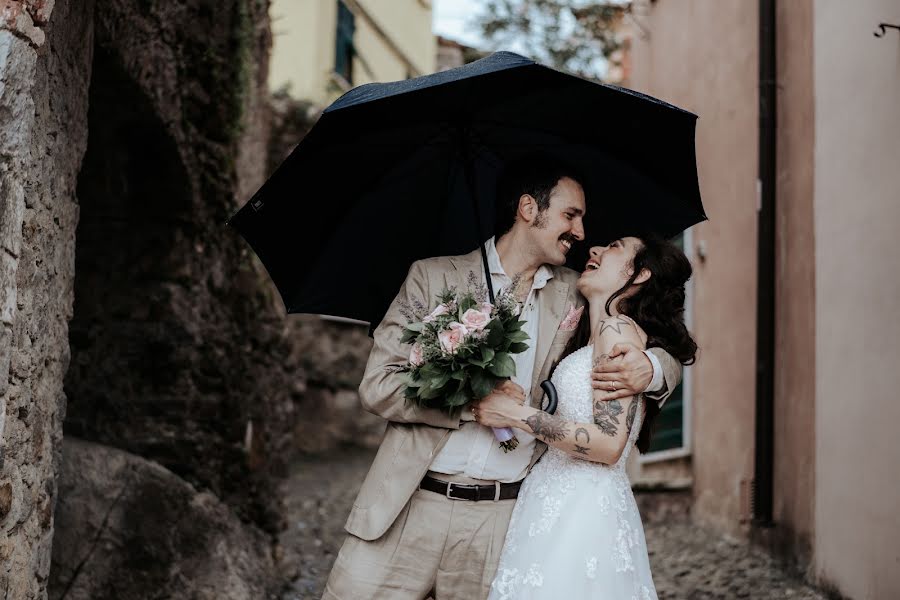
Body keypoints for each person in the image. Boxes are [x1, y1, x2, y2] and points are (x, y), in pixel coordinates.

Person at [322, 157, 683, 600]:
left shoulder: (582, 291)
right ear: (529, 209)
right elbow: (378, 385)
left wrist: (653, 370)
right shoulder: (433, 277)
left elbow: (655, 332)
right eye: (571, 215)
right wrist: (470, 400)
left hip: (505, 520)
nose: (582, 233)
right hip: (409, 503)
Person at [472, 234, 698, 599]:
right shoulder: (590, 336)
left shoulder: (617, 331)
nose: (593, 250)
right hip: (553, 499)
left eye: (613, 247)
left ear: (640, 275)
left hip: (581, 511)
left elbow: (609, 445)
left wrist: (516, 414)